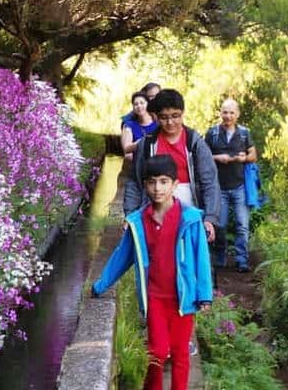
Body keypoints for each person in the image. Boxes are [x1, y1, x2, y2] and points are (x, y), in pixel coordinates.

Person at [92, 155, 213, 390]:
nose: (158, 188)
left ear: (175, 184)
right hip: (154, 297)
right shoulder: (138, 221)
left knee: (180, 353)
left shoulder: (190, 219)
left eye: (164, 181)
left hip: (183, 298)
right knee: (157, 352)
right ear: (145, 185)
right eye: (152, 182)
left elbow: (201, 258)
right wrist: (100, 285)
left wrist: (204, 294)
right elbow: (122, 256)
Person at [123, 89, 220, 244]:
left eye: (175, 116)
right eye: (164, 117)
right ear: (156, 117)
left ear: (182, 113)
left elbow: (210, 182)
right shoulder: (147, 144)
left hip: (189, 212)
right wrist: (130, 215)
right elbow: (135, 181)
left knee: (186, 255)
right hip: (154, 213)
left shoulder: (194, 143)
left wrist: (210, 218)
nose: (170, 122)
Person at [204, 99, 257, 273]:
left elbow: (253, 155)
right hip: (219, 187)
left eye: (232, 112)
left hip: (240, 185)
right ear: (220, 113)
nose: (228, 116)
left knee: (242, 225)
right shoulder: (212, 133)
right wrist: (217, 158)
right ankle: (220, 258)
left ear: (237, 114)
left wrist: (244, 158)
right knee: (220, 225)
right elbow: (202, 156)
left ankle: (242, 260)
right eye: (225, 112)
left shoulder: (244, 133)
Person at [121, 91, 158, 161]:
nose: (139, 106)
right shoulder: (129, 126)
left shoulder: (157, 122)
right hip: (138, 161)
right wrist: (141, 143)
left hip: (157, 160)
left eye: (142, 103)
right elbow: (126, 149)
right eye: (136, 104)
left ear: (147, 104)